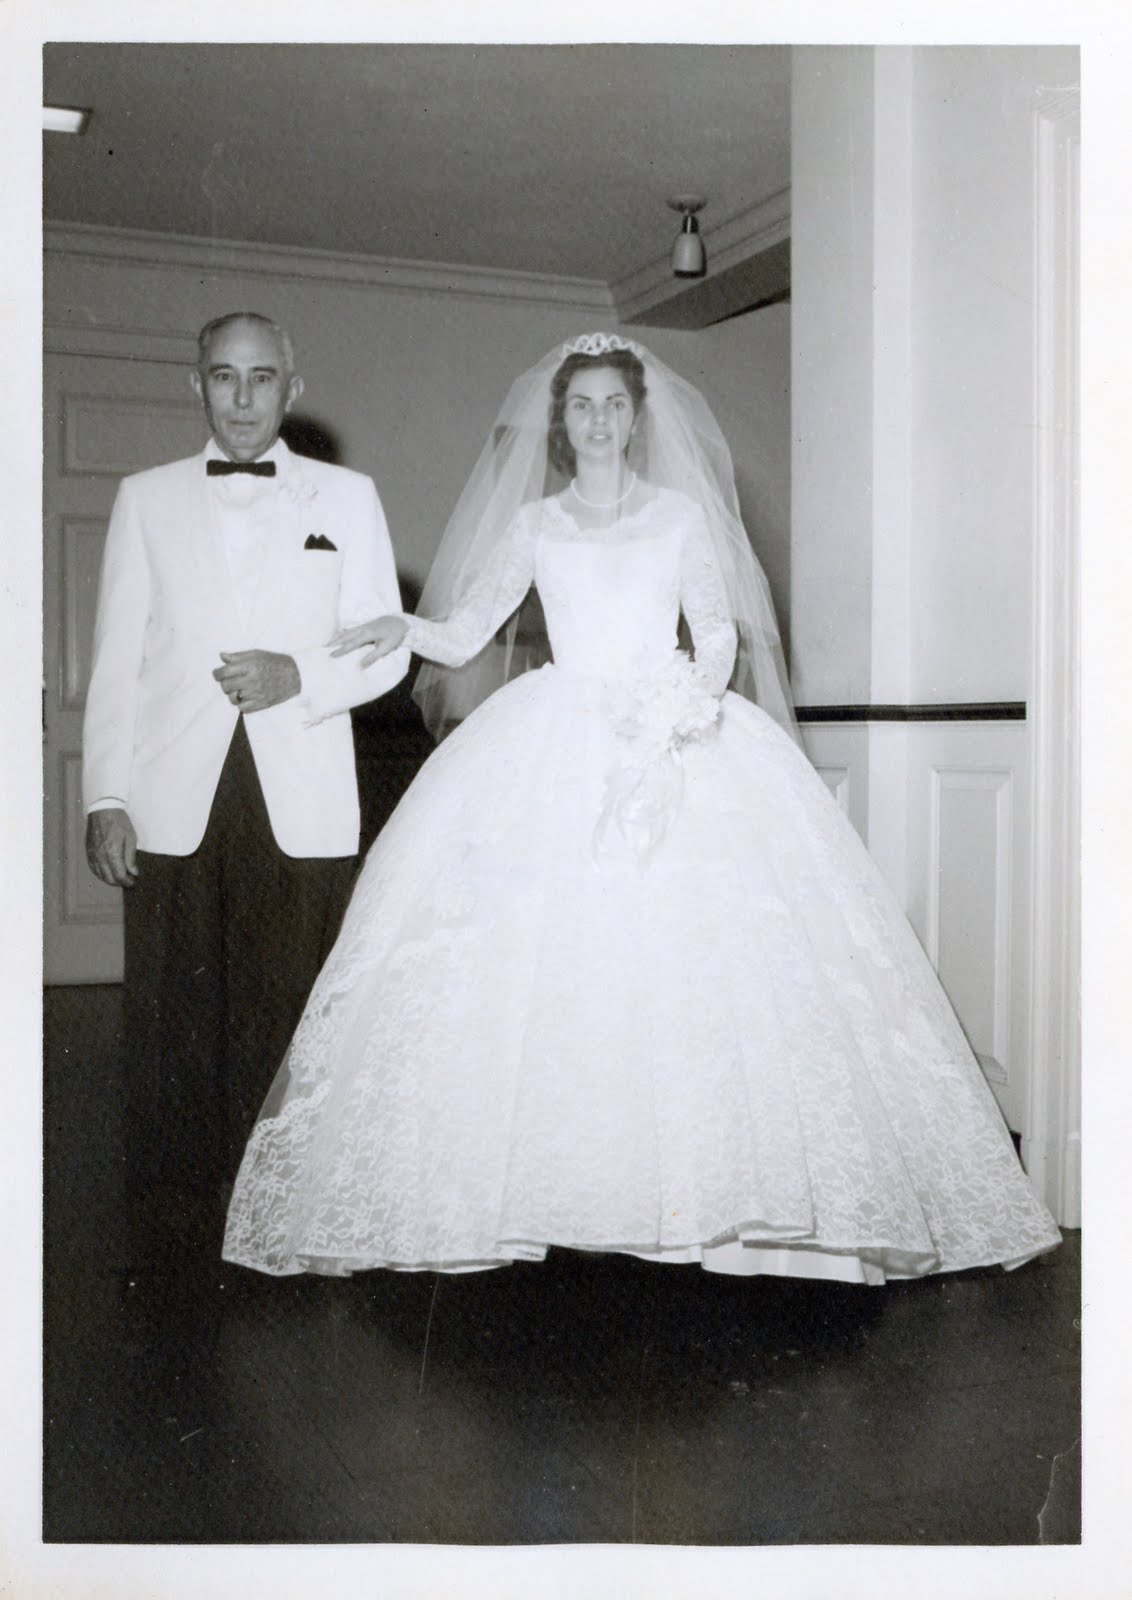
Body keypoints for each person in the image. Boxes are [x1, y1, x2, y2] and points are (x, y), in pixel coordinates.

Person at [222, 332, 1060, 1285]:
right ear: (562, 420)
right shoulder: (535, 525)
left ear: (635, 416)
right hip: (553, 740)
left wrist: (680, 709)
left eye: (614, 405)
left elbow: (716, 636)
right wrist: (402, 626)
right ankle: (551, 1195)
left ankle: (721, 1211)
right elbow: (465, 634)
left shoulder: (678, 519)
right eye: (582, 405)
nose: (599, 421)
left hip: (672, 731)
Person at [83, 312, 410, 1276]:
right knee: (172, 1014)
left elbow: (387, 649)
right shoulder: (145, 499)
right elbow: (114, 661)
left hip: (299, 783)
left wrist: (299, 675)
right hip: (171, 791)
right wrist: (105, 796)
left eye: (261, 378)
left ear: (291, 389)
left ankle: (283, 1209)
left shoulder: (347, 498)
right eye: (223, 377)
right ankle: (173, 1227)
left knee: (288, 1002)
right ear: (197, 386)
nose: (241, 397)